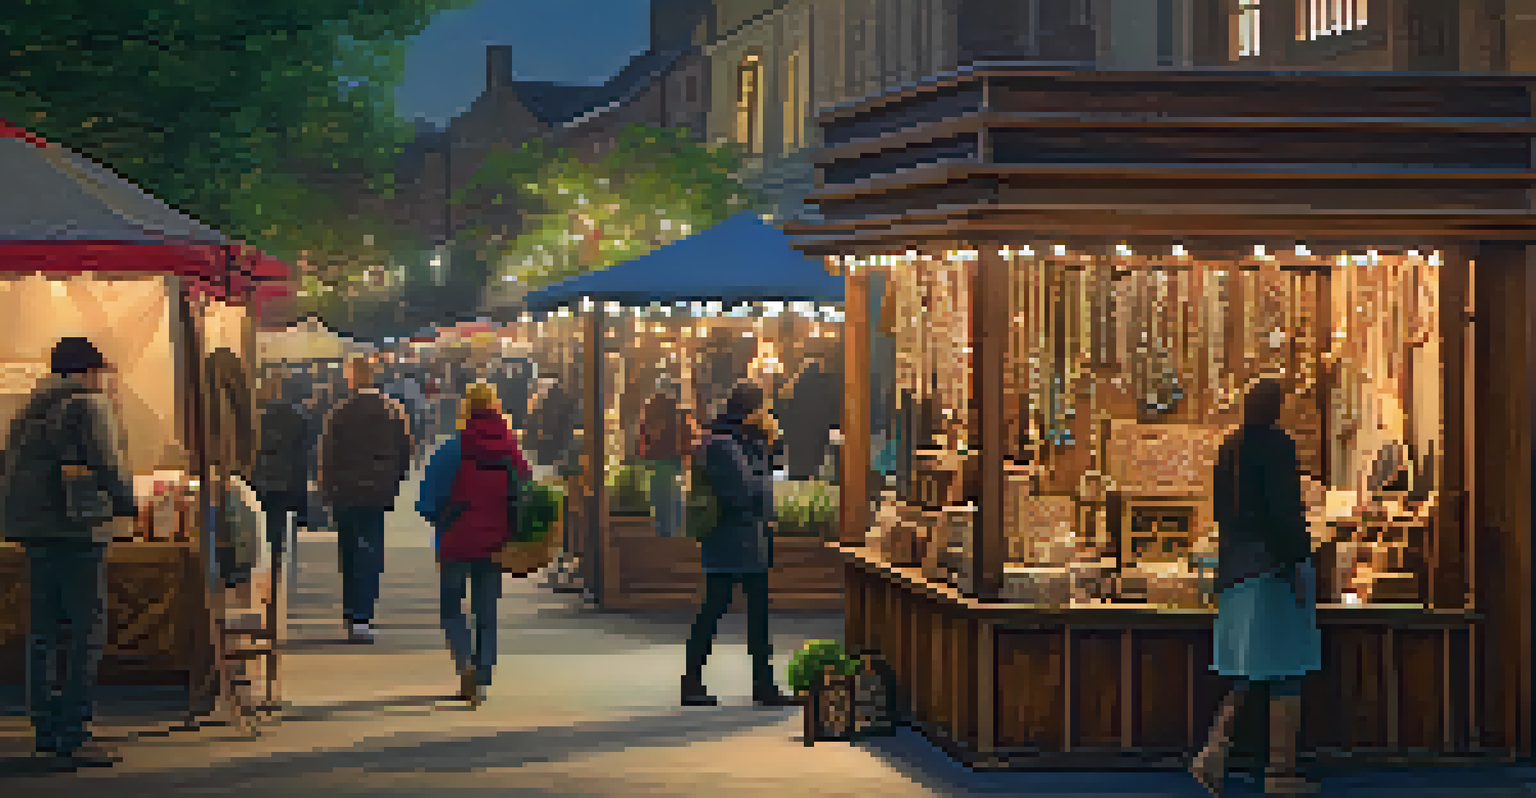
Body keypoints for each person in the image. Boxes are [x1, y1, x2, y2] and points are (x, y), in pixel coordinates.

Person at [0, 337, 136, 761]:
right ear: (87, 371)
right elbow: (108, 463)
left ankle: (45, 728)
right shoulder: (89, 404)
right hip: (78, 530)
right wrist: (127, 504)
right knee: (85, 630)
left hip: (35, 532)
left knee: (42, 632)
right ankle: (75, 731)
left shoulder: (29, 409)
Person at [1191, 378, 1321, 796]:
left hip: (1235, 569)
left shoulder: (1229, 448)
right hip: (1272, 570)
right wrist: (1302, 557)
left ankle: (1214, 750)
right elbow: (1285, 511)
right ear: (1277, 407)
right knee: (1287, 667)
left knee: (1247, 668)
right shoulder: (1278, 446)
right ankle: (1281, 772)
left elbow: (1222, 512)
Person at [680, 380, 796, 707]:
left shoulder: (738, 440)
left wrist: (768, 446)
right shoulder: (723, 444)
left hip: (744, 538)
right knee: (717, 609)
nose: (768, 413)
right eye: (763, 407)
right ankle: (695, 682)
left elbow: (766, 474)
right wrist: (764, 469)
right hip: (733, 537)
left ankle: (761, 684)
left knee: (745, 612)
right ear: (751, 410)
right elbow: (742, 490)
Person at [416, 381, 530, 706]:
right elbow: (528, 494)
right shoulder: (511, 450)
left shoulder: (452, 449)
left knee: (452, 608)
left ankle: (464, 661)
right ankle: (482, 673)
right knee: (486, 611)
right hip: (495, 542)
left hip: (456, 539)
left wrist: (442, 520)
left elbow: (427, 501)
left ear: (465, 409)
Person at [318, 355, 413, 643]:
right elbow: (406, 450)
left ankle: (352, 613)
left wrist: (327, 488)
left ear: (352, 377)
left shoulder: (340, 411)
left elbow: (327, 453)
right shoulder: (392, 410)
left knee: (349, 551)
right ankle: (365, 614)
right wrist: (394, 481)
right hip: (377, 492)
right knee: (372, 549)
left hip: (345, 492)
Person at [251, 367, 313, 566]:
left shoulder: (257, 416)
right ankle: (280, 562)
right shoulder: (298, 415)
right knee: (282, 524)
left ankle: (270, 562)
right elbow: (304, 453)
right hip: (288, 478)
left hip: (262, 477)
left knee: (267, 523)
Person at [637, 378, 690, 537]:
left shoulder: (651, 411)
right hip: (674, 464)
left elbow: (643, 442)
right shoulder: (677, 413)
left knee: (662, 511)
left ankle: (665, 540)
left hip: (658, 465)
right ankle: (672, 541)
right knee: (675, 509)